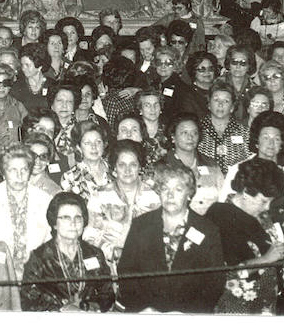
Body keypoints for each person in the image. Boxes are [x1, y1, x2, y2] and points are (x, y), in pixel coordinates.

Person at [220, 110, 284, 302]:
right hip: (247, 257)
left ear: (282, 143)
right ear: (256, 140)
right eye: (266, 137)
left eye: (276, 139)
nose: (271, 143)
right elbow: (226, 209)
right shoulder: (238, 169)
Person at [116, 162, 225, 313]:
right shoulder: (141, 225)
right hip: (145, 314)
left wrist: (185, 314)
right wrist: (144, 309)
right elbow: (126, 272)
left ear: (189, 193)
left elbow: (215, 282)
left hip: (188, 315)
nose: (170, 195)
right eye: (165, 188)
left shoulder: (207, 230)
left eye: (178, 189)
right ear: (159, 192)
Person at [207, 158, 284, 314]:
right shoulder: (219, 216)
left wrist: (280, 252)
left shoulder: (261, 214)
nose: (267, 207)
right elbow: (227, 272)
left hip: (265, 302)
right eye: (264, 201)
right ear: (246, 192)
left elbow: (269, 249)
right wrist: (266, 259)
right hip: (236, 307)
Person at [21, 191, 115, 311]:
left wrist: (86, 306)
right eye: (66, 218)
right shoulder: (39, 257)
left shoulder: (95, 254)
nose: (73, 223)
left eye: (78, 218)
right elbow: (27, 299)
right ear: (54, 223)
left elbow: (108, 293)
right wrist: (62, 309)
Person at [84, 140, 160, 266]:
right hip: (110, 263)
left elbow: (159, 233)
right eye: (122, 165)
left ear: (140, 167)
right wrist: (112, 251)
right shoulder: (100, 196)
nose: (127, 170)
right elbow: (89, 235)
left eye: (133, 165)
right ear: (114, 168)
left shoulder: (153, 196)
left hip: (146, 262)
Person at [0, 143, 52, 278]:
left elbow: (49, 243)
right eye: (12, 170)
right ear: (2, 173)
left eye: (24, 170)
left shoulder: (45, 200)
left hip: (37, 273)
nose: (19, 176)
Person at [163, 113, 225, 215]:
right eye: (184, 133)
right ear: (173, 137)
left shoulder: (211, 164)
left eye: (194, 133)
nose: (190, 137)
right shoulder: (162, 166)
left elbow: (222, 198)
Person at [197, 80, 250, 174]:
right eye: (216, 100)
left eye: (226, 101)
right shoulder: (197, 130)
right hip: (204, 183)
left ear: (232, 107)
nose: (220, 104)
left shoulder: (244, 133)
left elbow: (250, 162)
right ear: (209, 104)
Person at [60, 121, 111, 201]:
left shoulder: (116, 169)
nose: (94, 146)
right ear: (79, 147)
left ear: (104, 144)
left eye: (98, 142)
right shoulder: (70, 177)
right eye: (87, 143)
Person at [23, 131, 62, 196]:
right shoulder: (15, 181)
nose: (37, 161)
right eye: (33, 155)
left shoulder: (54, 191)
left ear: (48, 161)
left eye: (43, 157)